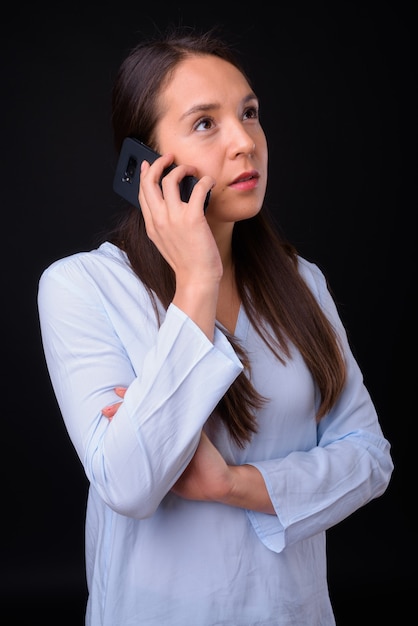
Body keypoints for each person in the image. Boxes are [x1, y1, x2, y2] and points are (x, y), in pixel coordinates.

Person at [37, 26, 394, 626]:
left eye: (249, 114)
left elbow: (370, 459)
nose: (245, 142)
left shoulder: (301, 282)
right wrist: (198, 281)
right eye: (205, 123)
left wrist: (232, 483)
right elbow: (129, 484)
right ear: (145, 163)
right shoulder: (81, 287)